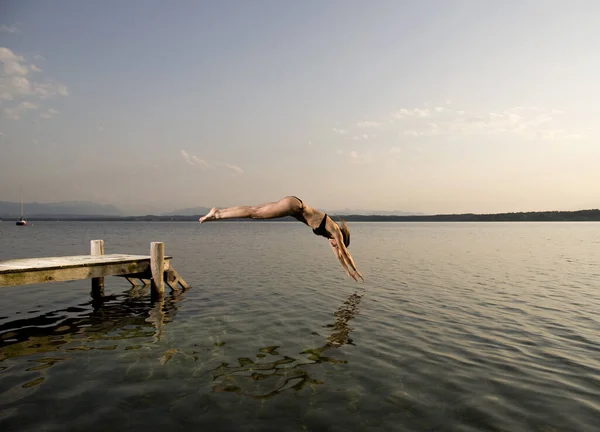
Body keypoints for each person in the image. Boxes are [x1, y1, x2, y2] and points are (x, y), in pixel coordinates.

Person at [199, 196, 364, 281]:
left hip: (293, 205)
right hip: (294, 206)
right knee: (255, 214)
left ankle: (218, 213)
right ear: (342, 239)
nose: (334, 245)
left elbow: (339, 256)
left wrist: (347, 271)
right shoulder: (335, 231)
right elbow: (345, 254)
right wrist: (356, 270)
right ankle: (218, 214)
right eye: (338, 244)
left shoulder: (329, 236)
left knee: (254, 210)